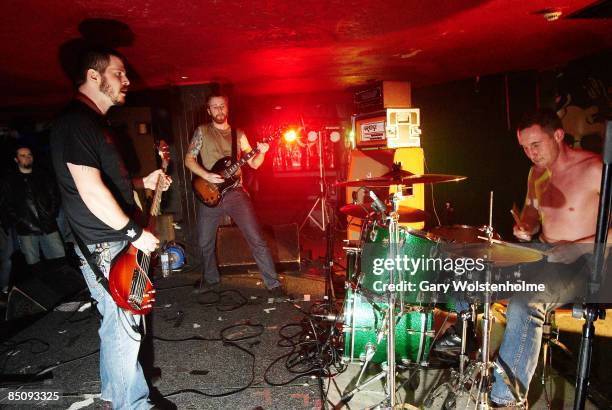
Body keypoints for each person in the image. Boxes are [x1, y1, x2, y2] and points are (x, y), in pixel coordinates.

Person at [50, 48, 173, 410]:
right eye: (119, 73)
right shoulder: (76, 122)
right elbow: (88, 189)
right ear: (93, 76)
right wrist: (135, 234)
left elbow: (104, 182)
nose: (127, 80)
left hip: (108, 242)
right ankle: (131, 405)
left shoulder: (93, 124)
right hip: (106, 245)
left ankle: (114, 392)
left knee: (115, 326)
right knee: (124, 329)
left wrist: (141, 180)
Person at [489, 109, 601, 408]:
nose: (530, 153)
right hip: (544, 252)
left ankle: (507, 399)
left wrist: (578, 247)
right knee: (478, 265)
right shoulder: (536, 172)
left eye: (535, 145)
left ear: (559, 135)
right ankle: (456, 347)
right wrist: (526, 226)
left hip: (584, 261)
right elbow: (531, 212)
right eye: (524, 148)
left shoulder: (594, 169)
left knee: (526, 302)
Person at [184, 93, 283, 295]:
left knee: (256, 238)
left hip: (236, 192)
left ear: (227, 108)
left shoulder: (239, 134)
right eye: (214, 107)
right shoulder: (202, 131)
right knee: (204, 241)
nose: (219, 110)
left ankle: (273, 284)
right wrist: (207, 175)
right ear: (208, 110)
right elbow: (189, 160)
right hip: (209, 193)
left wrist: (263, 151)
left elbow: (254, 163)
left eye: (222, 106)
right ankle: (211, 280)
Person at [2, 146, 65, 269]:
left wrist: (50, 214)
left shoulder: (43, 175)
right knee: (34, 264)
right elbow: (7, 205)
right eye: (23, 155)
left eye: (29, 154)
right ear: (16, 159)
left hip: (48, 226)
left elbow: (54, 196)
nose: (27, 157)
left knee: (59, 259)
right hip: (25, 229)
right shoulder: (9, 181)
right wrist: (21, 220)